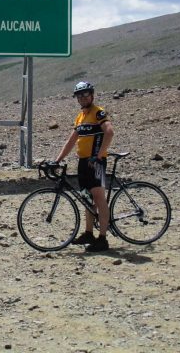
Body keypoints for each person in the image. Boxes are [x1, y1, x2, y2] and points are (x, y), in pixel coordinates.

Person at [55, 81, 114, 252]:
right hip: (83, 162)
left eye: (85, 94)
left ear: (92, 95)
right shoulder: (80, 117)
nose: (82, 97)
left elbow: (109, 132)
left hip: (96, 162)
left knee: (98, 197)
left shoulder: (98, 113)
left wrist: (98, 155)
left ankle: (103, 239)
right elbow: (71, 141)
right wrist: (57, 160)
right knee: (87, 198)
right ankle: (89, 233)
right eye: (79, 95)